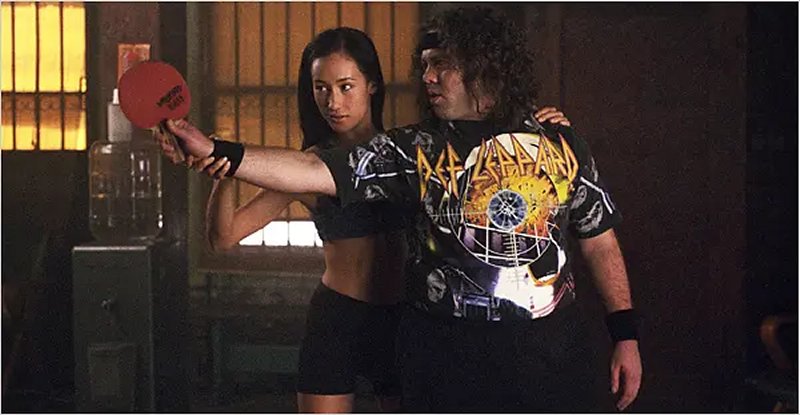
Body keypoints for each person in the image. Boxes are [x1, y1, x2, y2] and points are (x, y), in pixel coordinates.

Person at [158, 7, 640, 412]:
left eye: (441, 64)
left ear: (483, 66)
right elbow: (310, 170)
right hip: (436, 352)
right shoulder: (412, 150)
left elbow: (600, 243)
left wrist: (626, 335)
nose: (426, 77)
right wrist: (219, 151)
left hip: (545, 354)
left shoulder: (558, 144)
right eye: (424, 64)